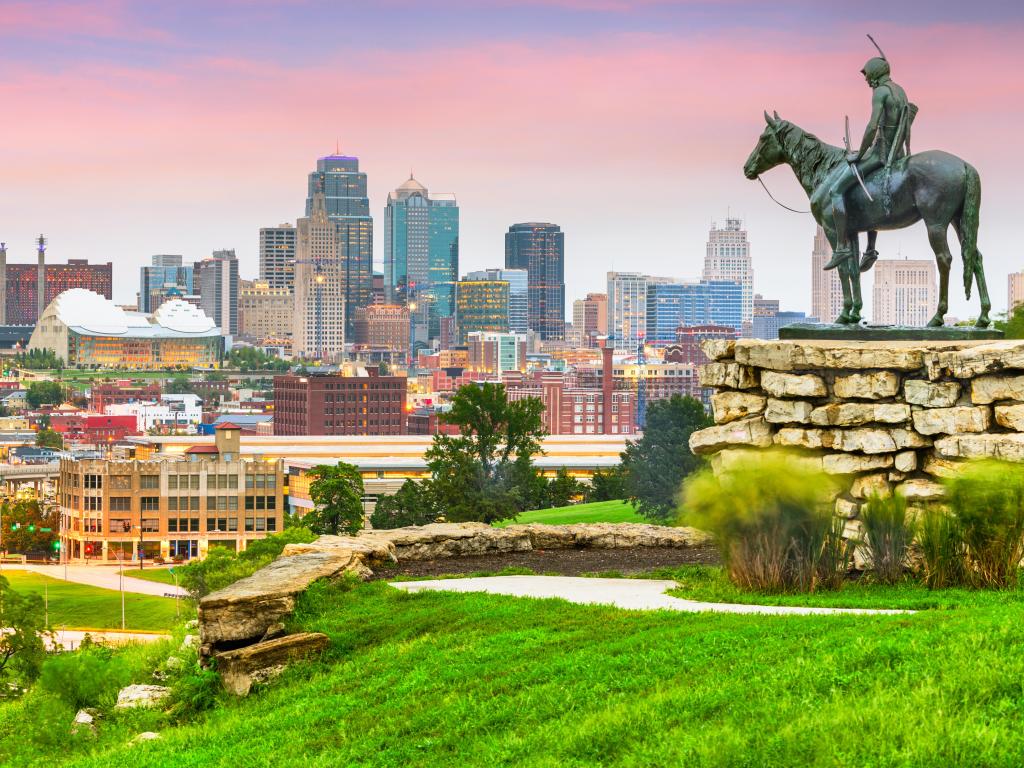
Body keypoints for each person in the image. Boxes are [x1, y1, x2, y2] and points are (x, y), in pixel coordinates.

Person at [823, 55, 914, 271]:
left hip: (880, 154)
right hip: (898, 153)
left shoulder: (880, 92)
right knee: (868, 193)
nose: (865, 79)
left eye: (867, 74)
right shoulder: (899, 90)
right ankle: (870, 249)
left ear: (874, 72)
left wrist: (859, 153)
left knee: (836, 191)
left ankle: (843, 247)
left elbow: (873, 126)